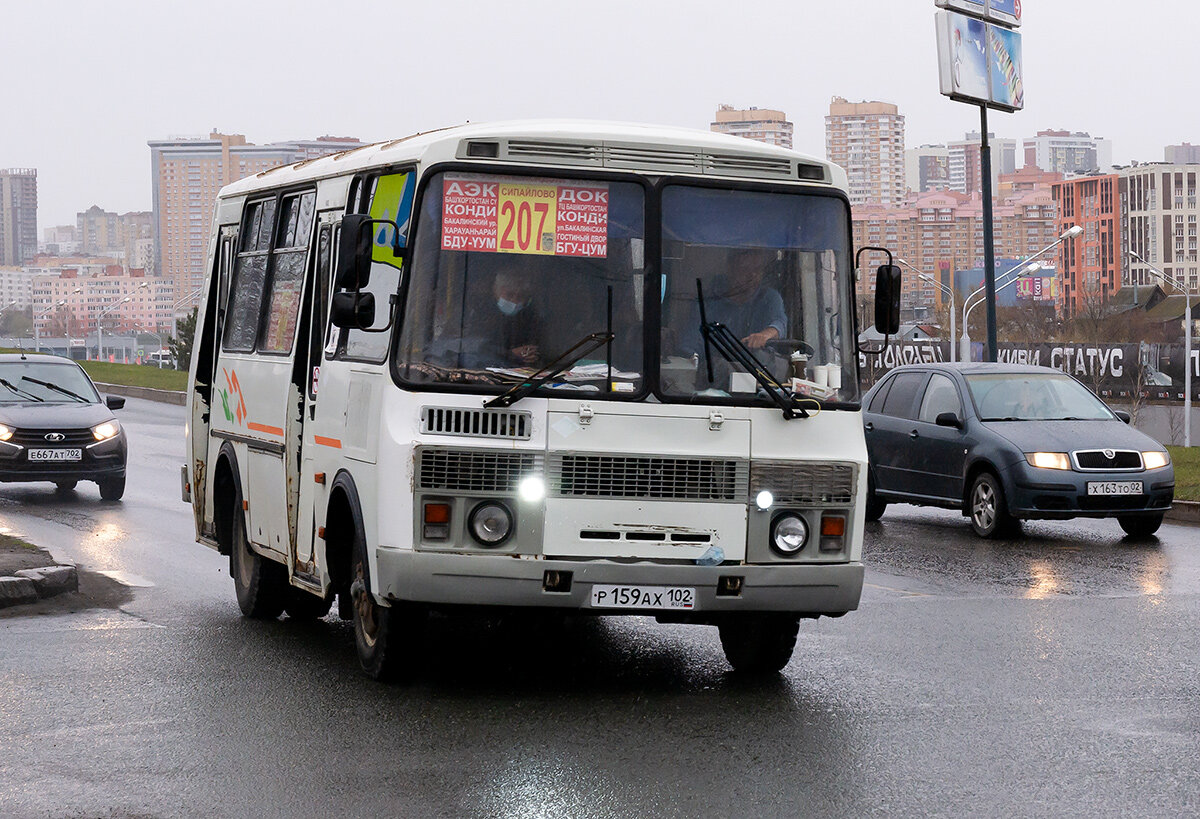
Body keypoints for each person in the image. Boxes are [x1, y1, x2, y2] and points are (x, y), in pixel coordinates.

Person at [677, 249, 788, 356]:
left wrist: (765, 335)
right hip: (713, 372)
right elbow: (690, 345)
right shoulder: (708, 301)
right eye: (745, 269)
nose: (752, 276)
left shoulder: (769, 298)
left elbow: (779, 323)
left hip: (759, 372)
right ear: (730, 269)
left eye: (757, 270)